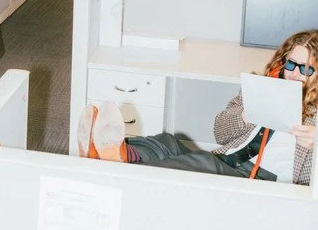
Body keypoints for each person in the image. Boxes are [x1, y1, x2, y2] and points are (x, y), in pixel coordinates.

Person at [77, 30, 318, 185]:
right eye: (291, 64)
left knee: (202, 164)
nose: (295, 74)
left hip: (264, 179)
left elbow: (309, 184)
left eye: (306, 69)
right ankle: (115, 153)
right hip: (227, 159)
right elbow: (220, 133)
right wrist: (246, 115)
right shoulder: (262, 88)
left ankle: (124, 176)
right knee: (168, 142)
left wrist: (314, 146)